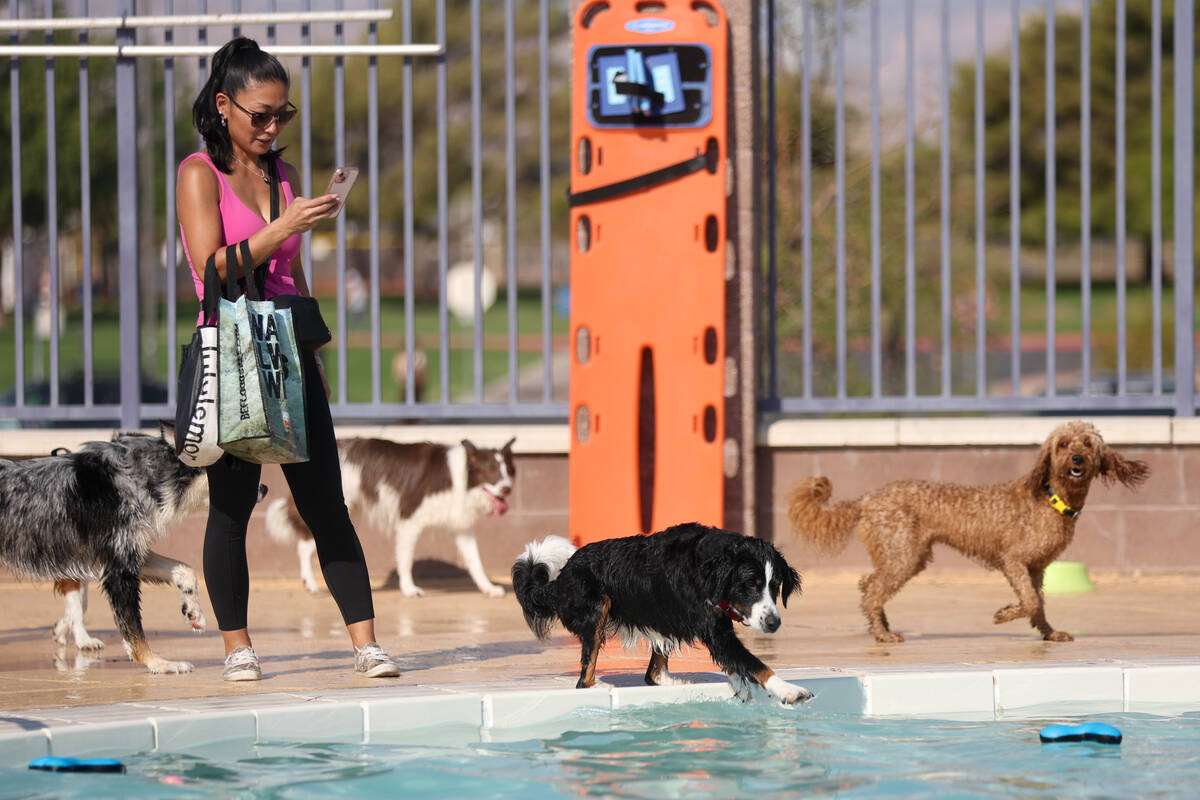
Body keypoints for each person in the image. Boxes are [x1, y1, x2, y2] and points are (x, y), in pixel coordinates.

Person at [176, 36, 398, 681]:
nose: (272, 128)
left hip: (288, 355)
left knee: (325, 501)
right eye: (260, 116)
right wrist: (281, 229)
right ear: (224, 106)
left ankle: (367, 645)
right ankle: (237, 647)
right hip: (237, 353)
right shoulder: (200, 173)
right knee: (231, 508)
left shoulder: (284, 176)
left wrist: (312, 352)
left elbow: (290, 278)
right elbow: (210, 271)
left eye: (283, 115)